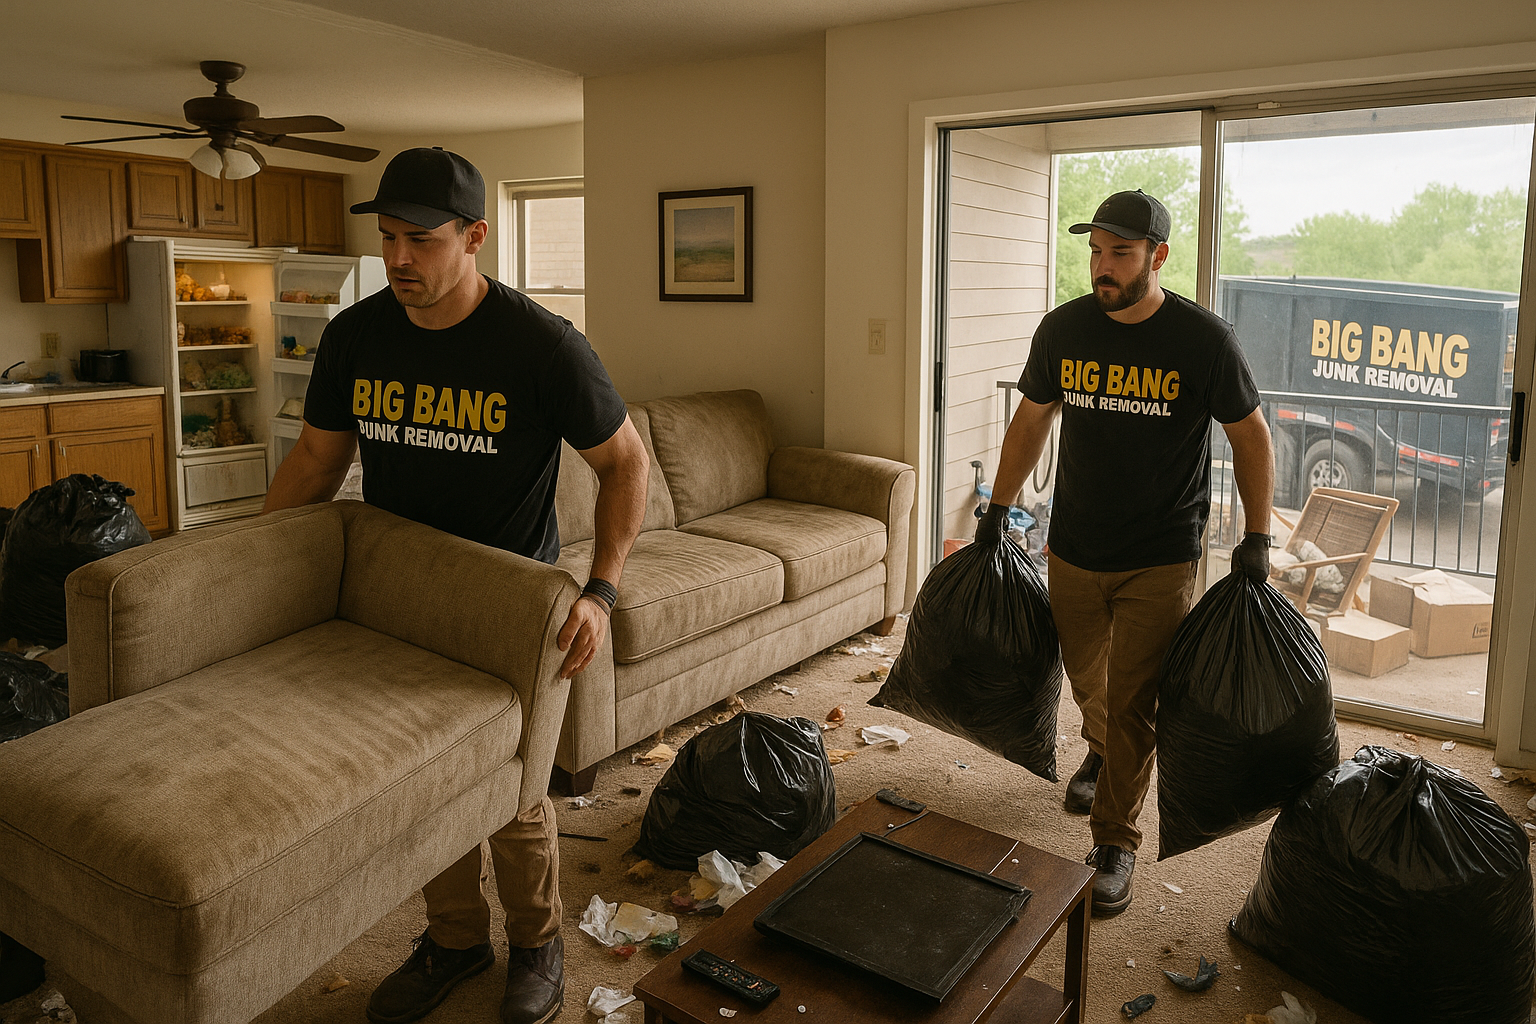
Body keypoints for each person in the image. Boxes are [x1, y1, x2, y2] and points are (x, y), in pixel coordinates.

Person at [263, 147, 649, 1024]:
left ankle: (539, 942)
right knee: (425, 785)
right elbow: (319, 460)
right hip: (394, 599)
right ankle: (454, 939)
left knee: (511, 795)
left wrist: (601, 590)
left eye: (422, 240)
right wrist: (244, 562)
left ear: (474, 237)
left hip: (513, 603)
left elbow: (627, 464)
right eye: (388, 237)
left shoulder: (543, 346)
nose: (399, 259)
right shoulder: (355, 336)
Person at [977, 189, 1274, 917]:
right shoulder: (1065, 329)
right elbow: (1031, 420)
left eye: (1120, 254)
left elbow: (1251, 437)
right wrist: (999, 508)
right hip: (1073, 543)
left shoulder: (1204, 340)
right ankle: (1105, 750)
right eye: (1095, 252)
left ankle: (1115, 840)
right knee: (1089, 680)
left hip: (1161, 552)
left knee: (1136, 697)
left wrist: (1258, 539)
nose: (1101, 268)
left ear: (1158, 256)